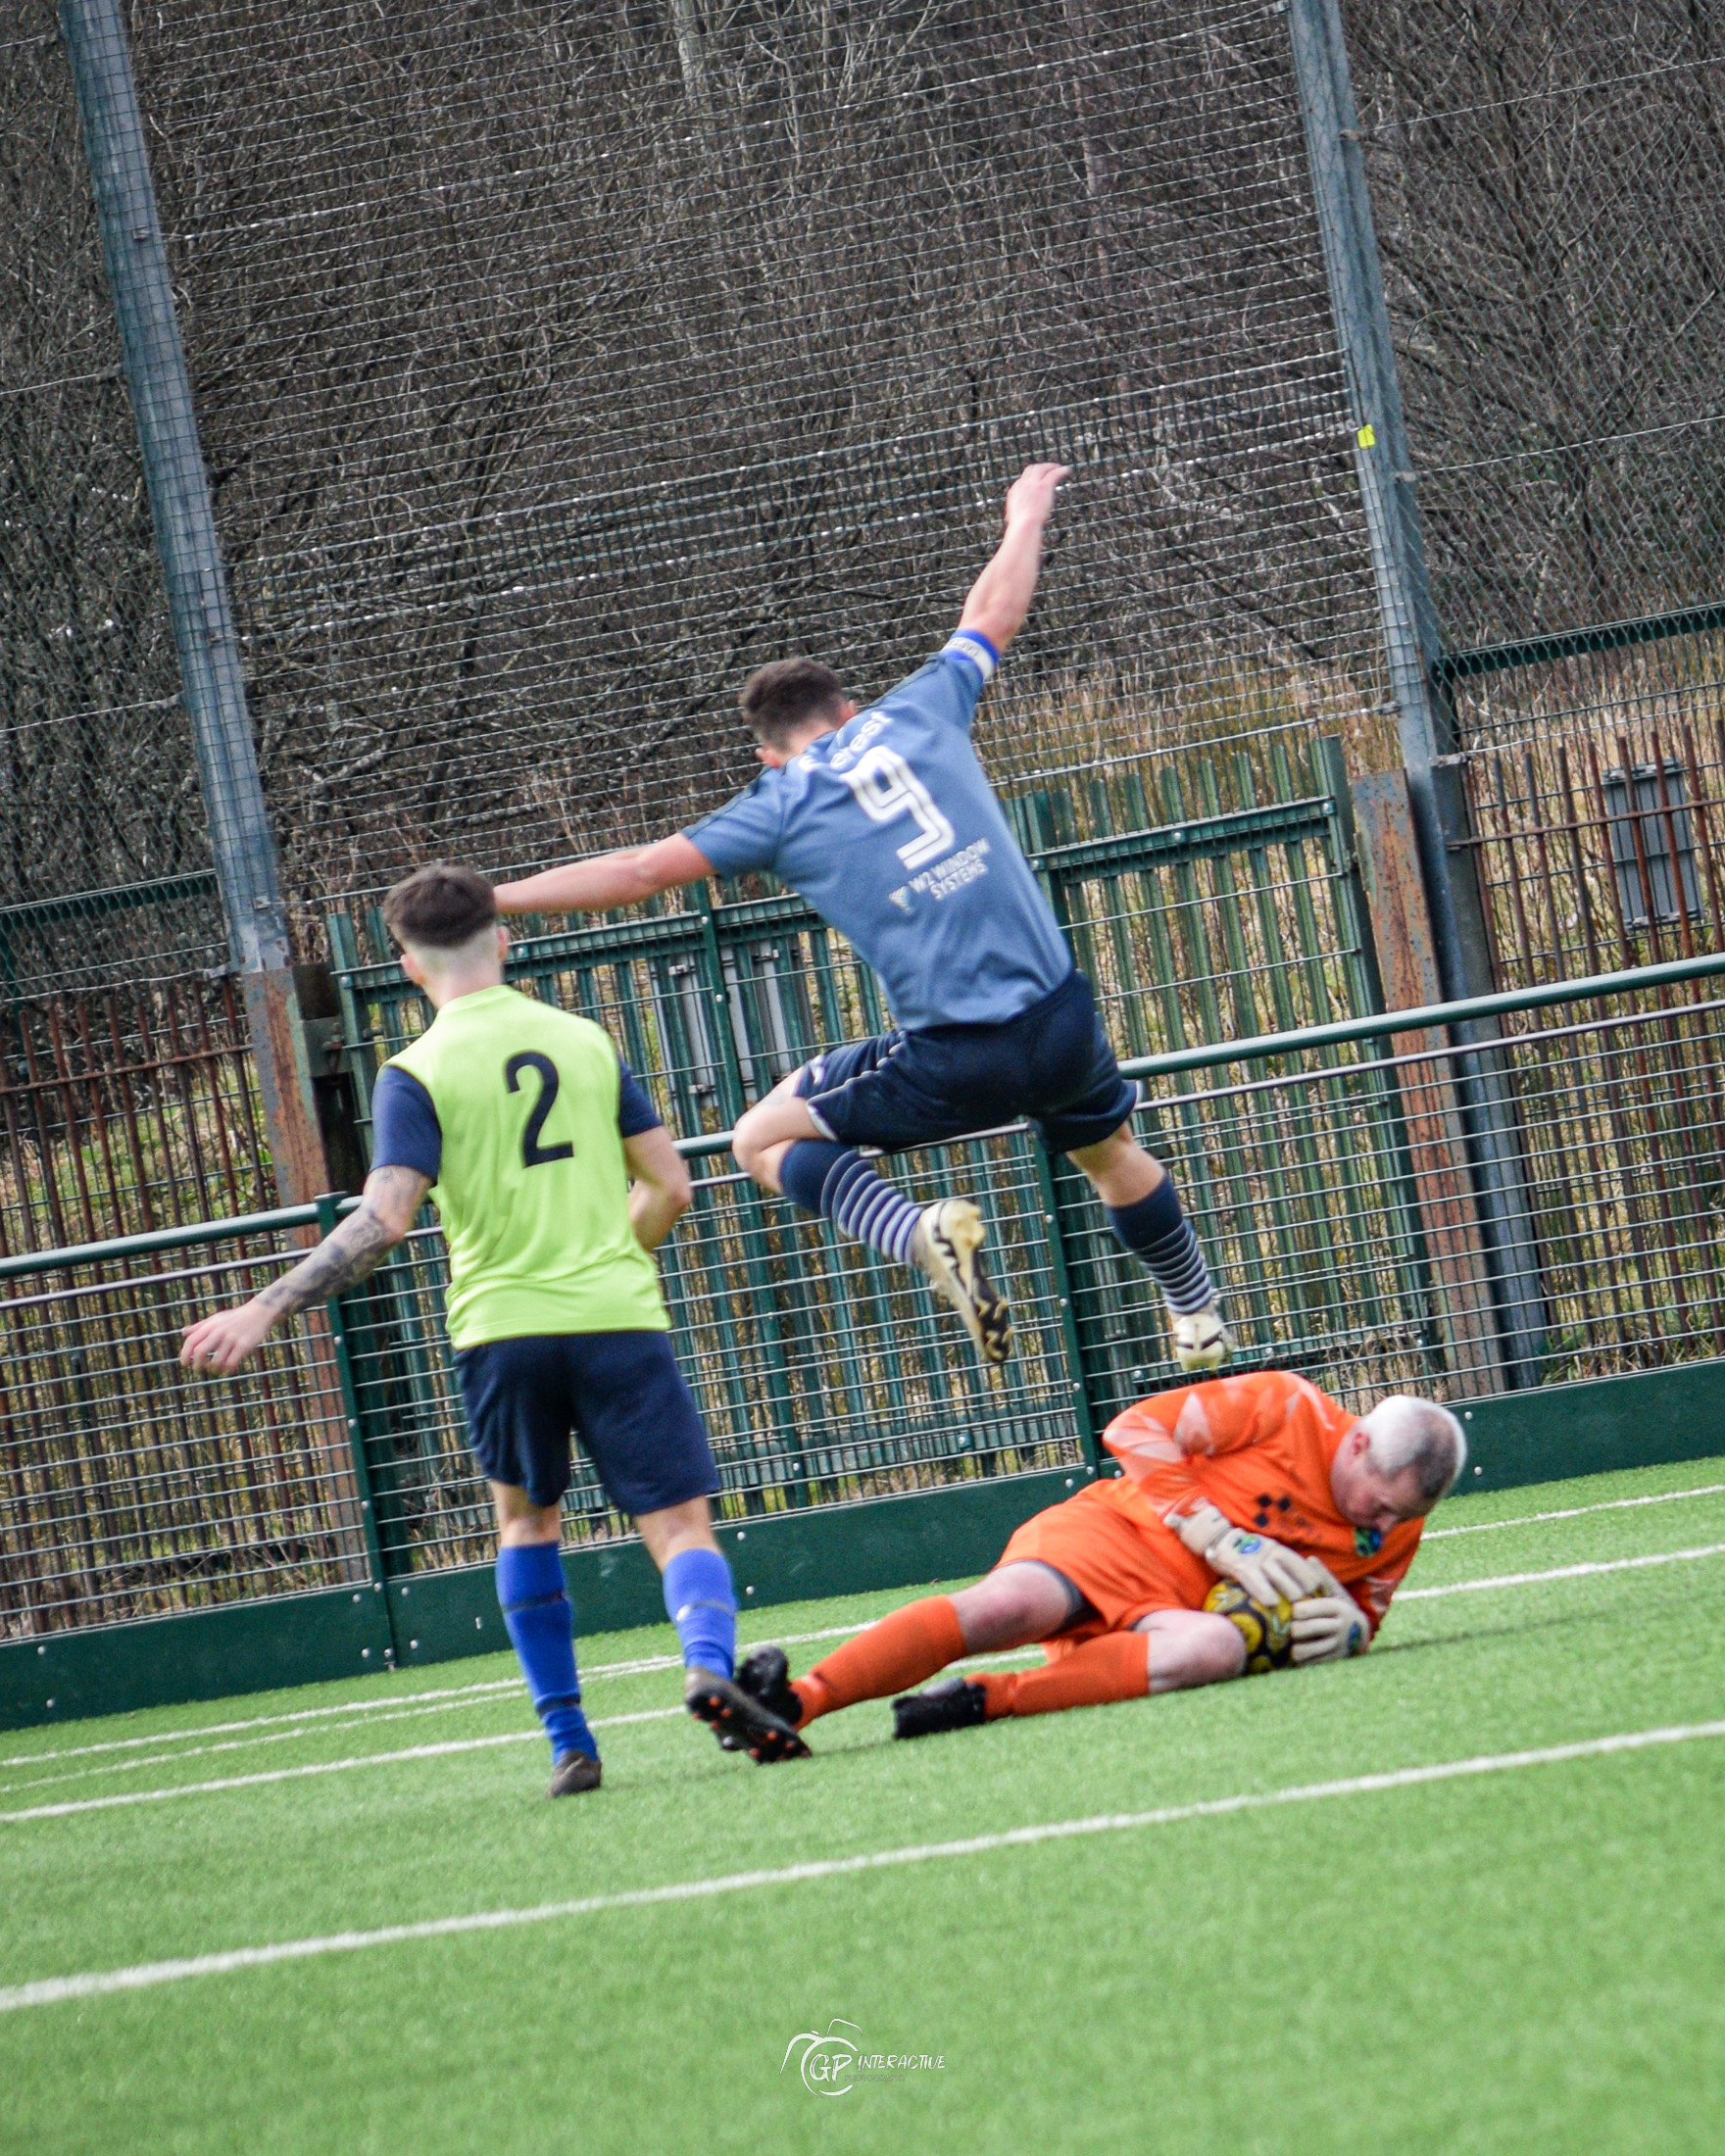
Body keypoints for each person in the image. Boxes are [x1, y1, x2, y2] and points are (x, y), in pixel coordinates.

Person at [492, 464, 1227, 1375]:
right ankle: (1196, 1311)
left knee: (758, 1138)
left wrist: (500, 897)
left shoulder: (779, 803)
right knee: (1111, 1154)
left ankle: (919, 1232)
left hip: (957, 1056)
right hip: (1063, 1019)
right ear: (847, 708)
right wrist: (1024, 515)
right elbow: (991, 616)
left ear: (768, 755)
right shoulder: (921, 708)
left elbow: (640, 872)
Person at [179, 862, 807, 1795]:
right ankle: (706, 1662)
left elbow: (384, 1219)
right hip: (614, 1317)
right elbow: (671, 1186)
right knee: (678, 1527)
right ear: (502, 939)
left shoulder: (414, 1072)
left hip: (500, 1333)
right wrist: (610, 1256)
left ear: (406, 966)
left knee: (525, 1525)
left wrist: (263, 1307)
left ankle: (569, 1741)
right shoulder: (584, 1040)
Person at [725, 1370, 1465, 1749]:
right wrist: (1212, 1531)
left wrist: (1351, 1636)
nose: (1384, 1524)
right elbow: (1136, 1429)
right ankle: (795, 1703)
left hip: (1181, 1612)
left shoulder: (1398, 1523)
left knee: (1212, 1650)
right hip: (1119, 1536)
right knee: (1007, 1608)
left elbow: (1365, 1609)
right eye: (1380, 1503)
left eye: (1403, 1517)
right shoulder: (1285, 1405)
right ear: (1359, 1443)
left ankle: (984, 1700)